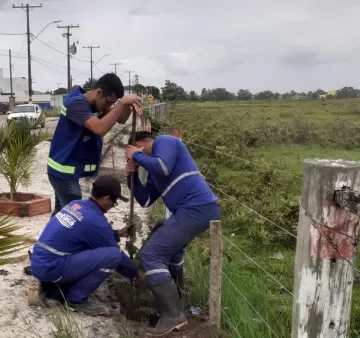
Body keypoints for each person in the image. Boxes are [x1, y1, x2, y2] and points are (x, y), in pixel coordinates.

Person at [125, 131, 220, 336]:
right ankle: (176, 304)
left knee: (152, 254)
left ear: (140, 143)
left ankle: (172, 314)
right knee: (172, 256)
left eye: (133, 150)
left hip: (196, 208)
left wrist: (136, 155)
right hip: (191, 211)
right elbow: (146, 200)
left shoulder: (165, 141)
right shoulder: (154, 173)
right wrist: (130, 175)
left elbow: (163, 166)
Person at [30, 175, 141, 316]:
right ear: (106, 198)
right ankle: (77, 300)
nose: (113, 206)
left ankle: (57, 288)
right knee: (113, 256)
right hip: (51, 268)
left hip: (39, 262)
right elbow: (117, 256)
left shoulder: (76, 205)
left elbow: (87, 234)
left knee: (90, 247)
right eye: (114, 202)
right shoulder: (96, 221)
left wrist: (117, 234)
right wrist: (136, 273)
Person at [47, 73, 142, 216]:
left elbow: (121, 119)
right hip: (63, 171)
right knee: (73, 215)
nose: (108, 106)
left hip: (69, 168)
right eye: (109, 103)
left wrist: (128, 105)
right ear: (99, 93)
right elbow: (100, 129)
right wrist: (121, 103)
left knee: (61, 214)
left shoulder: (95, 103)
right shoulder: (76, 103)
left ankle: (48, 238)